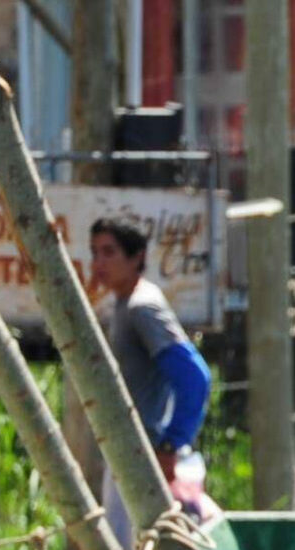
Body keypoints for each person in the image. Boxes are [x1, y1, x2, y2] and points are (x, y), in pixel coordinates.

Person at [86, 217, 216, 526]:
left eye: (109, 252)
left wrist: (171, 446)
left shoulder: (141, 308)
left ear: (137, 257)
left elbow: (194, 378)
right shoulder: (121, 304)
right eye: (94, 253)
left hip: (147, 459)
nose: (99, 263)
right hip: (129, 455)